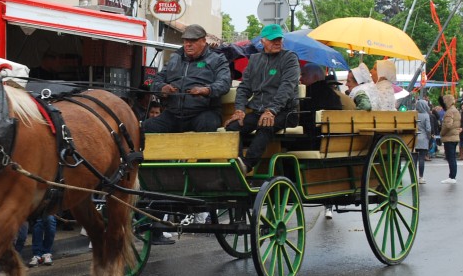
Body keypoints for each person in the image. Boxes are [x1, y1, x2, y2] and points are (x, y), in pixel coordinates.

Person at [224, 24, 300, 173]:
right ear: (263, 41)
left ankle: (246, 165)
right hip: (259, 110)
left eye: (279, 39)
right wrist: (239, 109)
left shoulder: (289, 58)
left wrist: (272, 110)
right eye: (272, 40)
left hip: (286, 112)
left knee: (265, 124)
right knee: (233, 127)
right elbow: (244, 87)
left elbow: (287, 87)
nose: (277, 42)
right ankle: (236, 164)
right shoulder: (254, 59)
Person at [144, 24, 232, 133]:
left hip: (203, 112)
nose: (188, 44)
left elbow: (224, 83)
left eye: (193, 41)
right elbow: (155, 81)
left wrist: (206, 90)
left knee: (206, 124)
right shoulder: (174, 59)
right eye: (186, 41)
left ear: (204, 41)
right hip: (173, 114)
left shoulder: (217, 60)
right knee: (148, 126)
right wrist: (162, 88)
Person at [299, 63, 343, 133]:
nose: (300, 78)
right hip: (333, 136)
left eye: (303, 75)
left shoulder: (310, 94)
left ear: (315, 77)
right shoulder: (333, 94)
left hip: (312, 139)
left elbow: (301, 118)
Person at [439, 94, 461, 184]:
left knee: (450, 157)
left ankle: (452, 176)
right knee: (452, 157)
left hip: (449, 137)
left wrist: (442, 133)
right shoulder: (456, 110)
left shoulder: (449, 112)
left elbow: (448, 125)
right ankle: (453, 176)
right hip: (455, 136)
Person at [413, 98, 432, 183]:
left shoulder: (414, 114)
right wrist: (429, 137)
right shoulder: (426, 115)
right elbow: (428, 129)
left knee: (414, 159)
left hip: (414, 138)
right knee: (421, 158)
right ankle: (421, 177)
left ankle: (413, 176)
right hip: (423, 138)